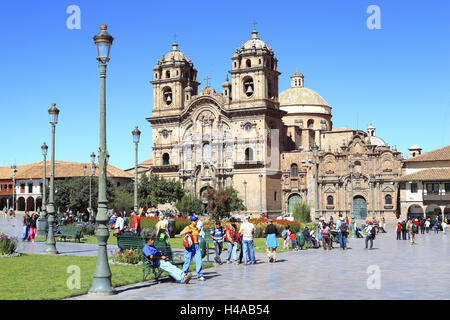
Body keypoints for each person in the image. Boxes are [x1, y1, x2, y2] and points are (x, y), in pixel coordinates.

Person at [180, 216, 205, 281]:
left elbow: (198, 232)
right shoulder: (188, 227)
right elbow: (181, 233)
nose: (195, 222)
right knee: (187, 260)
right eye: (194, 221)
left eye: (196, 221)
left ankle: (199, 275)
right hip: (190, 246)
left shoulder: (196, 228)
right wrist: (187, 231)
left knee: (199, 259)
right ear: (191, 221)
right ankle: (184, 274)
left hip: (196, 246)